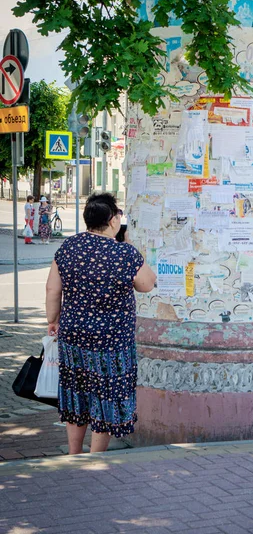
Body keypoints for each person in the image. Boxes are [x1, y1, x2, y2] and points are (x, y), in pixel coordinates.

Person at [45, 192, 156, 454]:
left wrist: (52, 320)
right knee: (106, 394)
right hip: (112, 343)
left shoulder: (69, 247)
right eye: (118, 214)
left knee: (77, 392)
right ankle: (96, 457)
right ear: (112, 220)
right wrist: (129, 245)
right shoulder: (124, 253)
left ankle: (74, 452)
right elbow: (147, 284)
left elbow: (52, 289)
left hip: (74, 337)